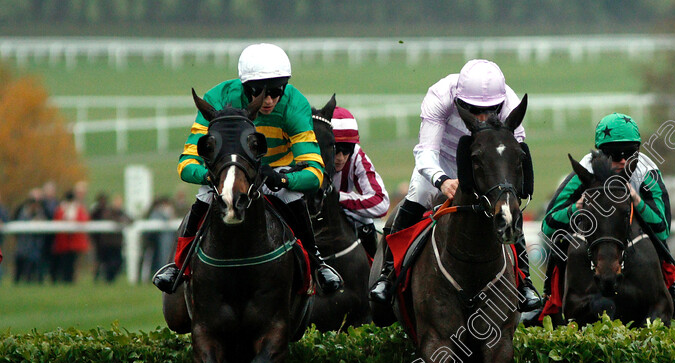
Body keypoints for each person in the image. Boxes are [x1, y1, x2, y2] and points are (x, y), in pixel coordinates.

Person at [152, 43, 342, 294]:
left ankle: (317, 263)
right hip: (229, 171)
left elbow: (315, 173)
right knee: (205, 196)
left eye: (277, 92)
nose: (270, 100)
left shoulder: (295, 104)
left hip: (276, 169)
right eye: (260, 92)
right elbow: (186, 164)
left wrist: (284, 181)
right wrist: (210, 176)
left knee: (291, 195)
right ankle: (178, 265)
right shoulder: (217, 99)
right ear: (244, 87)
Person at [368, 59, 541, 311]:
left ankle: (524, 282)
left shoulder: (510, 103)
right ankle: (387, 277)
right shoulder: (440, 95)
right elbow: (426, 152)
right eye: (474, 109)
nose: (482, 116)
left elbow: (510, 154)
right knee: (417, 195)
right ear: (460, 102)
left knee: (507, 208)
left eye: (491, 110)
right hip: (441, 164)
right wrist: (442, 180)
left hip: (484, 168)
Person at [542, 112, 675, 327]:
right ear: (601, 154)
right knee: (562, 241)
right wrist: (574, 209)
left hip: (633, 224)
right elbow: (548, 224)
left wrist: (637, 201)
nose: (623, 161)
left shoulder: (647, 172)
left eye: (630, 153)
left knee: (657, 241)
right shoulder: (584, 171)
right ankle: (549, 298)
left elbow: (662, 228)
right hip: (592, 229)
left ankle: (671, 294)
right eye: (615, 155)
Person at [330, 106, 389, 257]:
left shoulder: (357, 155)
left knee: (364, 220)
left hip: (341, 215)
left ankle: (374, 274)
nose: (341, 158)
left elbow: (381, 203)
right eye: (336, 149)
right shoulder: (310, 152)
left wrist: (338, 197)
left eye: (347, 150)